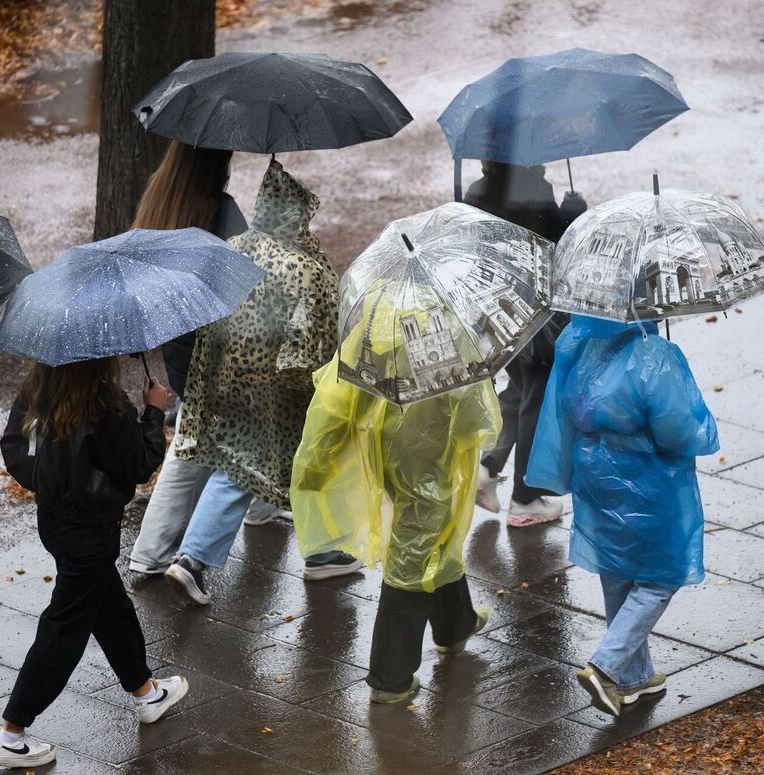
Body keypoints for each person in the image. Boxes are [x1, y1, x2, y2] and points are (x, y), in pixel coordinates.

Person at [162, 159, 360, 602]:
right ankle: (317, 555)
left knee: (240, 463)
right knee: (306, 461)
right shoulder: (306, 267)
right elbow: (317, 334)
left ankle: (197, 557)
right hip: (281, 388)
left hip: (229, 378)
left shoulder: (234, 248)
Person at [291, 299, 502, 703]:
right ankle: (390, 678)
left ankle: (455, 626)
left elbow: (338, 393)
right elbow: (477, 418)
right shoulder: (449, 324)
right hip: (430, 457)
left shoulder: (375, 315)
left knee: (434, 533)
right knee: (414, 549)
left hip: (382, 451)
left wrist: (317, 461)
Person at [0, 358, 187, 768]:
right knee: (64, 630)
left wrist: (52, 483)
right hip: (92, 532)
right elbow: (138, 465)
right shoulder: (107, 404)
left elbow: (14, 448)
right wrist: (153, 410)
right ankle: (11, 734)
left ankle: (146, 692)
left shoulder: (38, 388)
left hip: (56, 523)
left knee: (109, 607)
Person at [526, 315, 719, 716]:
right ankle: (608, 665)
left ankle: (634, 677)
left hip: (593, 467)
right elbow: (681, 431)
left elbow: (562, 407)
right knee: (662, 574)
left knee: (617, 566)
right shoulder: (654, 354)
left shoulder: (578, 342)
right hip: (647, 473)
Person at [126, 142, 286, 576]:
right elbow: (246, 280)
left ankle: (151, 553)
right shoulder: (221, 211)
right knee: (238, 436)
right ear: (218, 164)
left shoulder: (158, 207)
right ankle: (187, 553)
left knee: (197, 441)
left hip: (180, 352)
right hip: (218, 352)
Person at [463, 160, 586, 527]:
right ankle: (525, 497)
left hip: (492, 306)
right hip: (530, 307)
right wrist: (572, 213)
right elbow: (553, 243)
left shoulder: (476, 191)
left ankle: (487, 466)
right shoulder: (532, 189)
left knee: (519, 387)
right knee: (537, 390)